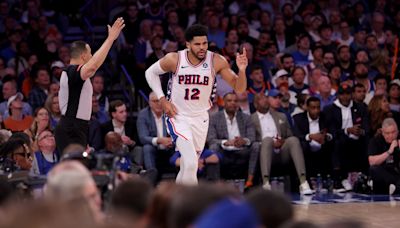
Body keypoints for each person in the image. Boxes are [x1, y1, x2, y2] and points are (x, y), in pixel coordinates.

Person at [145, 24, 248, 185]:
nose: (202, 48)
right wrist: (162, 99)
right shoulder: (175, 59)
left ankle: (177, 202)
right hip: (177, 116)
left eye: (205, 43)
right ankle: (190, 206)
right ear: (188, 44)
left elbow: (239, 87)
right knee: (192, 162)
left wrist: (242, 70)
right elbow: (150, 72)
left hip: (201, 118)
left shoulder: (216, 61)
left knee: (188, 166)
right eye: (197, 44)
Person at [55, 18, 125, 154]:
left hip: (78, 127)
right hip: (71, 127)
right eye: (90, 54)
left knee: (78, 170)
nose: (92, 56)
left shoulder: (75, 74)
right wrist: (110, 39)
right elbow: (93, 66)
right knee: (73, 170)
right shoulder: (71, 71)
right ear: (83, 56)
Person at [251, 92, 313, 195]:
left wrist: (282, 141)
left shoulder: (281, 116)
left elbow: (289, 135)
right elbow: (252, 141)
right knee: (267, 140)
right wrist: (270, 143)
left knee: (293, 140)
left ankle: (303, 182)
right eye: (261, 98)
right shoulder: (251, 119)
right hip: (264, 153)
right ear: (255, 104)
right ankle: (266, 183)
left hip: (282, 151)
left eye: (266, 97)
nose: (265, 100)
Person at [368, 118, 400, 195]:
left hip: (396, 172)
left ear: (397, 132)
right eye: (387, 133)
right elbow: (372, 162)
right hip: (384, 172)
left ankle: (395, 186)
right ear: (382, 133)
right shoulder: (375, 141)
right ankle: (394, 186)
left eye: (393, 132)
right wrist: (389, 151)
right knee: (374, 169)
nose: (391, 136)